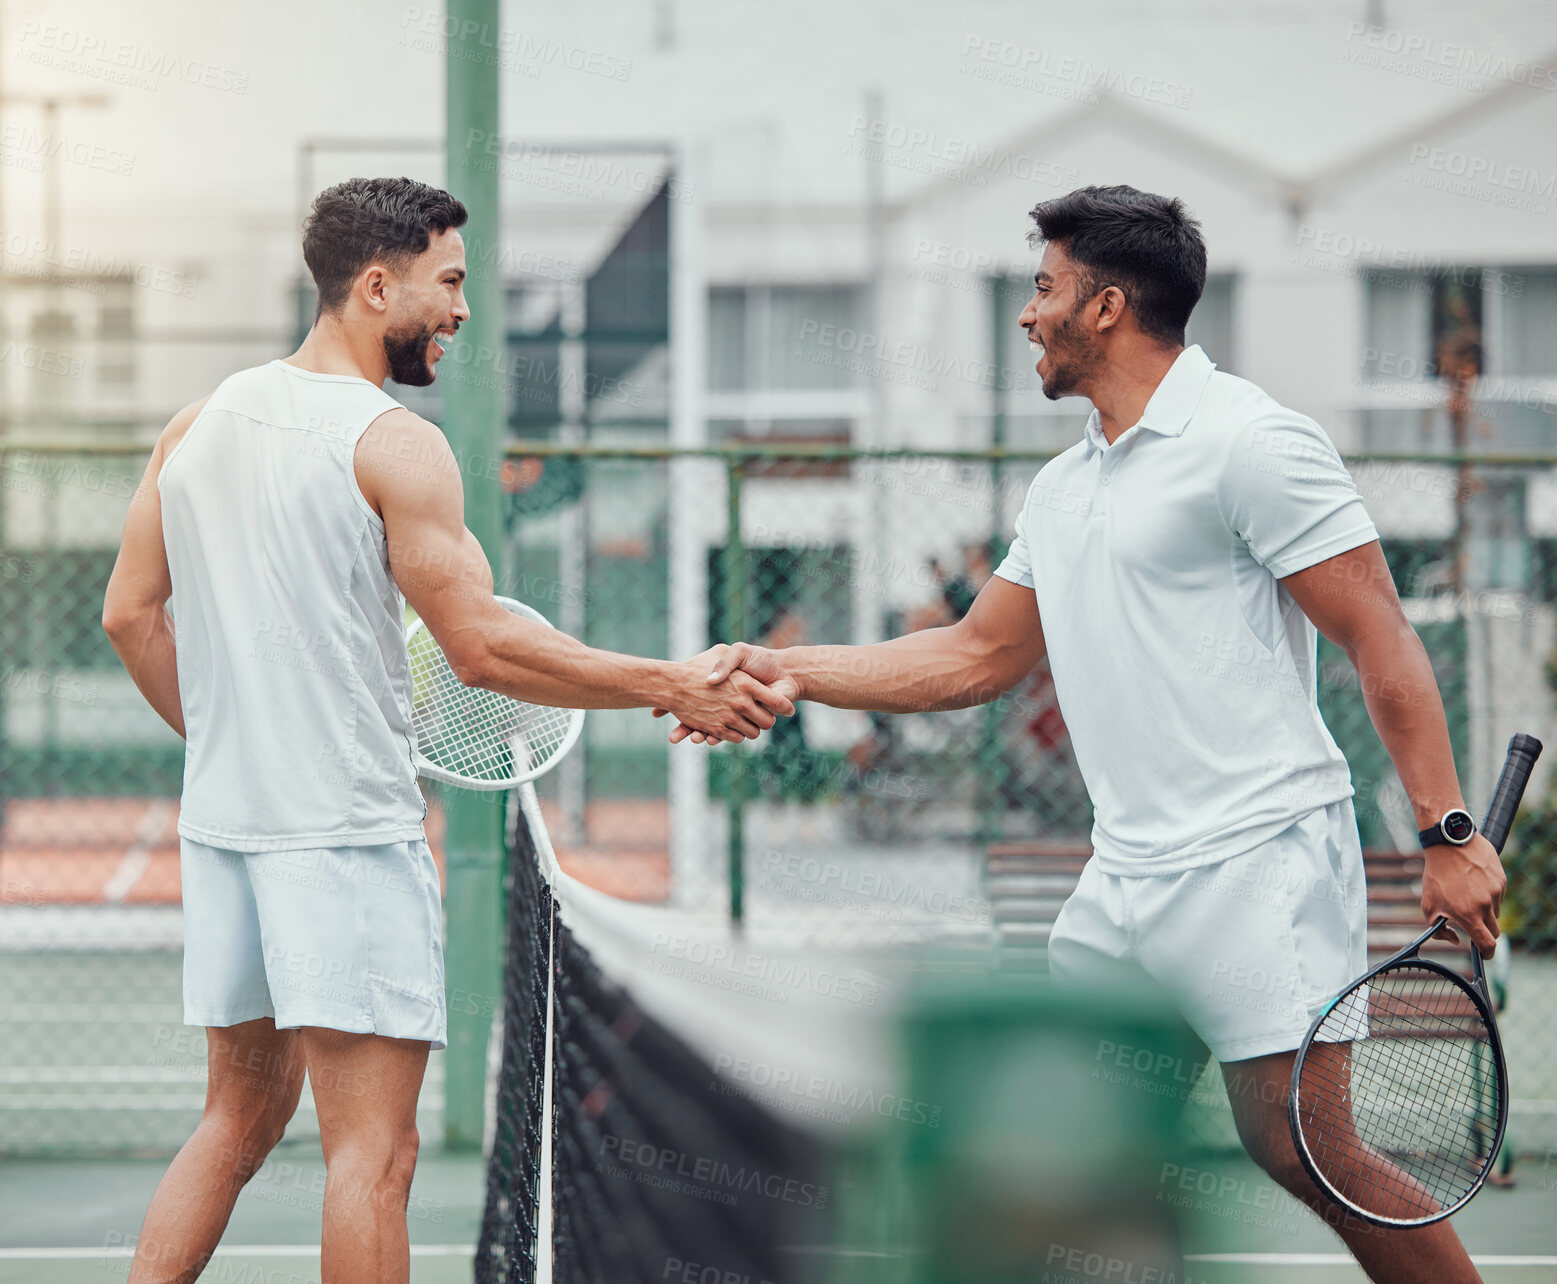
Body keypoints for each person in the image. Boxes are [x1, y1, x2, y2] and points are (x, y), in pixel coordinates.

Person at [661, 185, 1504, 1284]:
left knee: (1308, 1151)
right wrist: (788, 668)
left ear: (1106, 308)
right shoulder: (1062, 490)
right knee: (1049, 1155)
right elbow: (974, 657)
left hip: (1261, 860)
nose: (1026, 315)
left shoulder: (1253, 443)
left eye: (1043, 289)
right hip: (1127, 876)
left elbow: (1381, 638)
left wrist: (1447, 832)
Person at [101, 176, 794, 1284]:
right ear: (377, 286)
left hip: (227, 830)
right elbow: (481, 647)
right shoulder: (397, 444)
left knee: (233, 1124)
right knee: (373, 1155)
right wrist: (674, 680)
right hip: (343, 836)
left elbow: (127, 614)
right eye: (453, 282)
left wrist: (235, 741)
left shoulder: (196, 425)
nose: (466, 312)